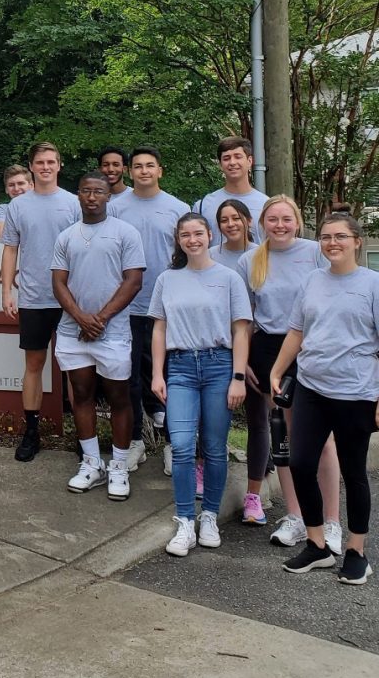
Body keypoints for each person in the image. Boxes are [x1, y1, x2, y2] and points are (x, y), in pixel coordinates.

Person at [270, 210, 379, 583]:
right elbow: (297, 331)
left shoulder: (372, 284)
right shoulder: (313, 280)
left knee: (354, 472)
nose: (332, 243)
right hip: (312, 389)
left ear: (356, 241)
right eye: (326, 237)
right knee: (300, 463)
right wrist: (277, 370)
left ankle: (356, 551)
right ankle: (317, 545)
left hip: (356, 393)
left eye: (340, 237)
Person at [238, 195, 341, 547]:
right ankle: (296, 516)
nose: (279, 226)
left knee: (320, 437)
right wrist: (246, 361)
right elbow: (246, 318)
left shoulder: (315, 252)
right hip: (269, 350)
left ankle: (331, 522)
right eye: (272, 220)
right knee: (283, 435)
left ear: (296, 221)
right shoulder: (249, 259)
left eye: (286, 219)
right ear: (261, 223)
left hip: (312, 347)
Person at [149, 213, 252, 556]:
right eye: (185, 235)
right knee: (180, 445)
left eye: (198, 233)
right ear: (178, 240)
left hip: (219, 366)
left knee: (213, 446)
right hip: (179, 368)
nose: (192, 240)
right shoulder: (167, 279)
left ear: (209, 235)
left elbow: (241, 329)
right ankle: (184, 520)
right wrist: (157, 373)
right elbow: (159, 329)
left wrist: (238, 377)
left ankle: (209, 515)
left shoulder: (229, 278)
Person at [52, 172, 145, 500]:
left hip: (114, 333)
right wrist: (81, 318)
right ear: (78, 195)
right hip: (72, 331)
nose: (92, 197)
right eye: (86, 191)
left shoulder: (126, 233)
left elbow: (133, 281)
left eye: (99, 192)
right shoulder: (66, 236)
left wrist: (100, 319)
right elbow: (59, 283)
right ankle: (92, 463)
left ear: (109, 196)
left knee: (119, 397)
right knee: (82, 394)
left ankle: (118, 466)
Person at [0, 142, 81, 461]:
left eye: (51, 161)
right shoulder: (18, 206)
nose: (45, 166)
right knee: (34, 365)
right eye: (39, 162)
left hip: (70, 300)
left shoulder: (74, 203)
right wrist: (7, 291)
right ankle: (31, 432)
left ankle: (83, 435)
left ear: (59, 166)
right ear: (31, 167)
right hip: (33, 298)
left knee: (76, 368)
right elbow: (10, 249)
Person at [109, 146, 188, 473]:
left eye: (150, 166)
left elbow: (187, 256)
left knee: (170, 377)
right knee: (128, 379)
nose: (143, 171)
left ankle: (173, 443)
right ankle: (135, 443)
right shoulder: (114, 208)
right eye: (138, 166)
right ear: (129, 172)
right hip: (126, 307)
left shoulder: (179, 208)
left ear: (160, 170)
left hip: (167, 308)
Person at [192, 136, 269, 245]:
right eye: (226, 158)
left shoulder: (266, 205)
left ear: (249, 161)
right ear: (220, 165)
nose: (232, 162)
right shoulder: (204, 205)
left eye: (238, 157)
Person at [208, 199, 254, 271]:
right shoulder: (210, 255)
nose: (230, 224)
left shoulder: (261, 253)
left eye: (236, 218)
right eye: (224, 220)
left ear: (249, 221)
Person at [0, 164, 32, 239]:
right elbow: (3, 235)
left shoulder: (42, 207)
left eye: (21, 183)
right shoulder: (3, 209)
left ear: (31, 186)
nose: (16, 189)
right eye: (11, 185)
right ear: (6, 189)